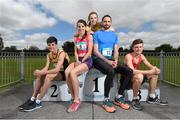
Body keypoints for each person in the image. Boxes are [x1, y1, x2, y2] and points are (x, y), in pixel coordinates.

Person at [93, 15, 133, 113]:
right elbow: (95, 51)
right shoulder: (97, 34)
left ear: (111, 23)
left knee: (129, 71)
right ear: (102, 23)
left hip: (111, 59)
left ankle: (118, 97)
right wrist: (108, 62)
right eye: (105, 21)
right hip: (98, 59)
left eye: (108, 21)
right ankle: (105, 100)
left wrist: (115, 60)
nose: (107, 23)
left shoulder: (114, 35)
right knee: (111, 71)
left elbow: (116, 50)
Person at [18, 36, 70, 112]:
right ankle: (32, 98)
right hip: (57, 73)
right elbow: (46, 68)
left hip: (64, 73)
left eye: (52, 44)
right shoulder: (49, 55)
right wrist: (39, 72)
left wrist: (41, 72)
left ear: (56, 44)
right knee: (40, 75)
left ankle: (38, 102)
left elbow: (56, 70)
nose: (51, 46)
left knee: (48, 76)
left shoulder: (61, 53)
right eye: (49, 45)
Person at [124, 39, 168, 110]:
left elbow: (150, 66)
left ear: (143, 48)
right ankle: (135, 99)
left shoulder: (142, 56)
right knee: (140, 75)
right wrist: (149, 71)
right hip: (127, 81)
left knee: (154, 75)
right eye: (136, 47)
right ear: (133, 48)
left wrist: (155, 69)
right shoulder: (128, 56)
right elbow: (133, 71)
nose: (139, 49)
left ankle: (152, 97)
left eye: (140, 47)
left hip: (137, 79)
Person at [65, 19, 93, 113]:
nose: (80, 28)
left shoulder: (89, 37)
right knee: (66, 72)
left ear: (85, 27)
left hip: (87, 60)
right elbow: (75, 51)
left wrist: (82, 61)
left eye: (82, 26)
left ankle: (77, 100)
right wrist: (77, 61)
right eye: (79, 26)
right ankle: (73, 97)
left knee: (72, 73)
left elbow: (89, 52)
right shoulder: (75, 38)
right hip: (78, 60)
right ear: (77, 27)